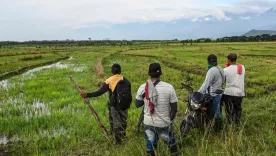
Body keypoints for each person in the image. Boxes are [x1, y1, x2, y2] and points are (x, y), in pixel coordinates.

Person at [81, 63, 132, 144]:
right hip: (125, 105)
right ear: (120, 71)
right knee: (123, 121)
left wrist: (87, 95)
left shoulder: (109, 80)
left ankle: (118, 143)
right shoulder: (126, 80)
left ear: (112, 71)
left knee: (116, 123)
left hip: (114, 106)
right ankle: (123, 137)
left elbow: (99, 92)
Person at [135, 63, 178, 156]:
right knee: (172, 144)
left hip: (148, 122)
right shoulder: (169, 87)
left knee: (151, 145)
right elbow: (174, 109)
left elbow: (137, 104)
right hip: (164, 123)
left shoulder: (143, 87)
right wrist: (169, 121)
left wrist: (145, 96)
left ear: (149, 73)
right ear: (161, 73)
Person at [198, 54, 224, 132]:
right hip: (219, 92)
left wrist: (198, 93)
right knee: (216, 110)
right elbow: (223, 80)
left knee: (216, 112)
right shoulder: (220, 68)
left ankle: (217, 130)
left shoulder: (212, 70)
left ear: (208, 61)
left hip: (213, 95)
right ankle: (216, 127)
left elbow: (206, 84)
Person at [223, 53, 245, 124]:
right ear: (236, 59)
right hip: (239, 92)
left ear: (228, 60)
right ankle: (237, 123)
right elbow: (238, 67)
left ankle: (230, 124)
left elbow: (224, 81)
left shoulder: (225, 70)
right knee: (238, 109)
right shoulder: (242, 67)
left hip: (228, 93)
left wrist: (227, 67)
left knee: (229, 110)